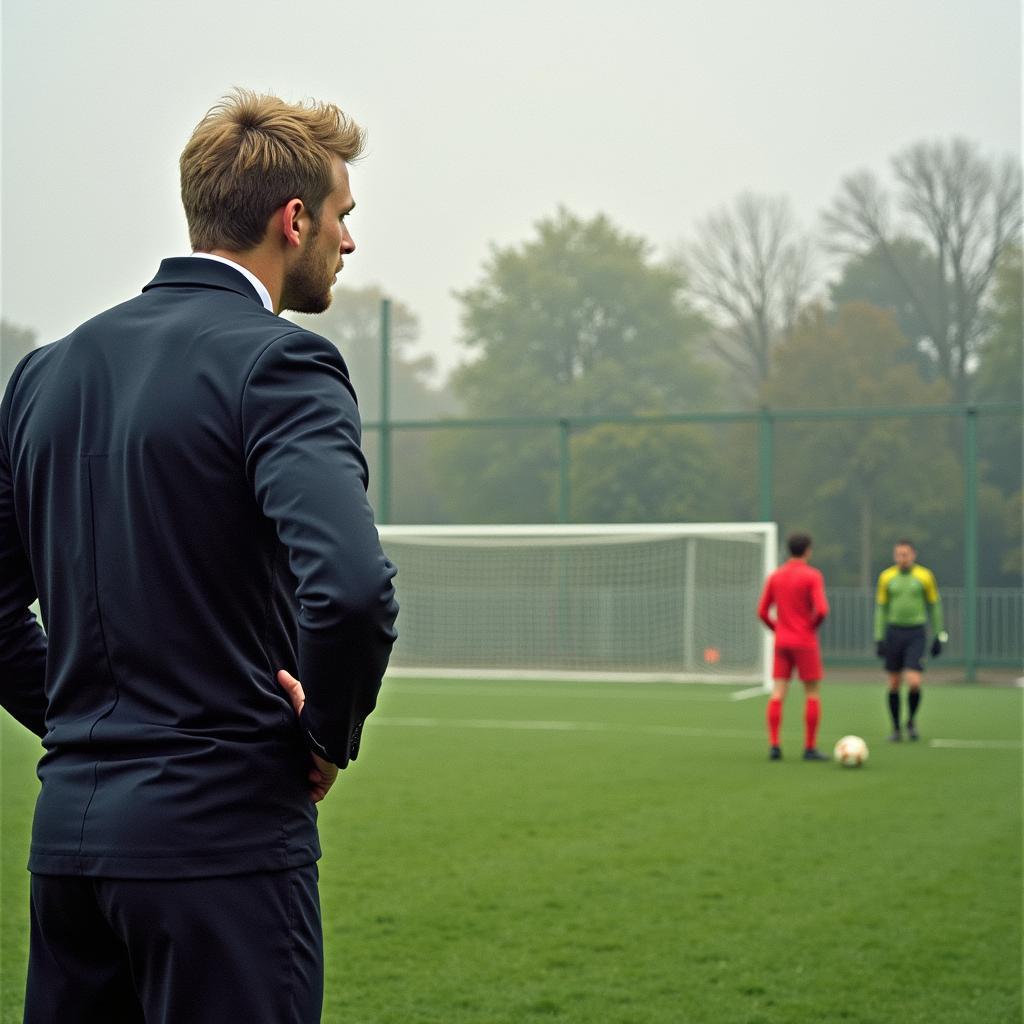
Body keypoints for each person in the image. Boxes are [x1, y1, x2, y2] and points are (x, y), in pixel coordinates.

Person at [0, 89, 399, 1024]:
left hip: (67, 851)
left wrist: (82, 720)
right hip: (220, 849)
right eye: (343, 217)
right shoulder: (281, 363)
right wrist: (322, 739)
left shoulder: (43, 373)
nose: (349, 243)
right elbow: (348, 589)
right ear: (291, 219)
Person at [757, 533, 830, 761]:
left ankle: (775, 745)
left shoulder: (776, 576)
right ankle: (809, 748)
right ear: (807, 550)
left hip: (782, 642)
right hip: (805, 641)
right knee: (812, 693)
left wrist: (776, 628)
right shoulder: (812, 576)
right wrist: (811, 627)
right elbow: (822, 610)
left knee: (778, 693)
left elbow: (762, 611)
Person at [874, 539, 946, 741]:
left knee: (914, 681)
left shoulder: (924, 576)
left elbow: (934, 605)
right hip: (893, 632)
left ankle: (911, 721)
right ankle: (896, 728)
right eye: (898, 554)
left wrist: (939, 635)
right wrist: (879, 637)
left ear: (913, 555)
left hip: (916, 632)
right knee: (894, 682)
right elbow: (881, 608)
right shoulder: (887, 577)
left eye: (905, 554)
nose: (902, 558)